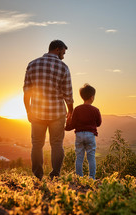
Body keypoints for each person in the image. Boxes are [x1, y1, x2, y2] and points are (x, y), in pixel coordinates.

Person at [23, 40, 73, 180]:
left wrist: (28, 111)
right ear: (57, 49)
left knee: (37, 145)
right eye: (63, 52)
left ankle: (38, 175)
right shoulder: (63, 67)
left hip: (37, 112)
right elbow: (68, 94)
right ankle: (55, 175)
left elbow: (27, 92)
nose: (63, 55)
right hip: (57, 113)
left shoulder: (32, 64)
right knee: (57, 144)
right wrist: (71, 111)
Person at [65, 84, 102, 179]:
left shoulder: (77, 109)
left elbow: (72, 125)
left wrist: (66, 126)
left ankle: (79, 177)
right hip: (90, 135)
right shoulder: (95, 110)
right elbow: (98, 123)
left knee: (79, 158)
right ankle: (92, 177)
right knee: (91, 157)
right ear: (92, 97)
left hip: (79, 135)